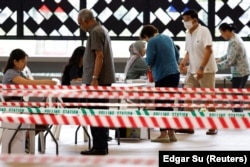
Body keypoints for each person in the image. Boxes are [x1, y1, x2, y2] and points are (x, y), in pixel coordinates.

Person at [2, 48, 56, 152]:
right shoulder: (10, 73)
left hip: (20, 104)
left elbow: (30, 82)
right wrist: (47, 82)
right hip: (13, 106)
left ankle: (26, 138)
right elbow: (29, 83)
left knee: (47, 115)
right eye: (23, 61)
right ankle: (26, 138)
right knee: (46, 115)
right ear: (15, 61)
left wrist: (46, 82)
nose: (25, 64)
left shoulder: (18, 72)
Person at [78, 9, 115, 155]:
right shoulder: (102, 29)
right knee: (101, 111)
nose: (81, 27)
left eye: (80, 24)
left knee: (95, 112)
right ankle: (102, 142)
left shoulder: (95, 32)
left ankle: (99, 146)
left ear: (86, 21)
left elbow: (99, 56)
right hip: (102, 79)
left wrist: (94, 78)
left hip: (98, 80)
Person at [179, 9, 218, 135]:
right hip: (192, 71)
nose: (185, 23)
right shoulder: (187, 33)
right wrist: (184, 61)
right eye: (184, 20)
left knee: (208, 99)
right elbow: (189, 51)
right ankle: (189, 125)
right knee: (187, 96)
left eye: (187, 20)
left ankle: (213, 126)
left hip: (206, 70)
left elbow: (209, 51)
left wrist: (201, 68)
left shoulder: (204, 31)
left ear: (194, 20)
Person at [140, 25, 180, 143]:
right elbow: (177, 55)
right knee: (169, 105)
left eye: (145, 39)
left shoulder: (152, 41)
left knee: (161, 105)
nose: (146, 41)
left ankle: (163, 134)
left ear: (146, 36)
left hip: (163, 76)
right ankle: (171, 133)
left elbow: (149, 60)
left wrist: (146, 55)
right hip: (174, 74)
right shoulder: (168, 38)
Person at [216, 23, 250, 112]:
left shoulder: (234, 42)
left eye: (222, 33)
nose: (222, 36)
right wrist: (220, 59)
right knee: (238, 95)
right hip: (243, 71)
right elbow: (230, 54)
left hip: (239, 73)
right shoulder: (235, 37)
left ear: (227, 31)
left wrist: (215, 66)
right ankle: (238, 114)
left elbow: (230, 61)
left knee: (236, 96)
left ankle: (238, 115)